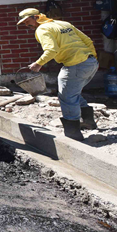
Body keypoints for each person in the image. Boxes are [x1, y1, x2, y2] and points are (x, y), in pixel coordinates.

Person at [17, 8, 98, 141]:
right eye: (24, 23)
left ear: (36, 17)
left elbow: (51, 50)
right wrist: (92, 58)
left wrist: (38, 64)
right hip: (91, 62)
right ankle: (88, 121)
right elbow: (88, 41)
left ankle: (73, 133)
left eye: (28, 21)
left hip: (75, 65)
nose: (27, 25)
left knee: (67, 97)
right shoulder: (63, 24)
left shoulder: (42, 29)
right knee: (73, 92)